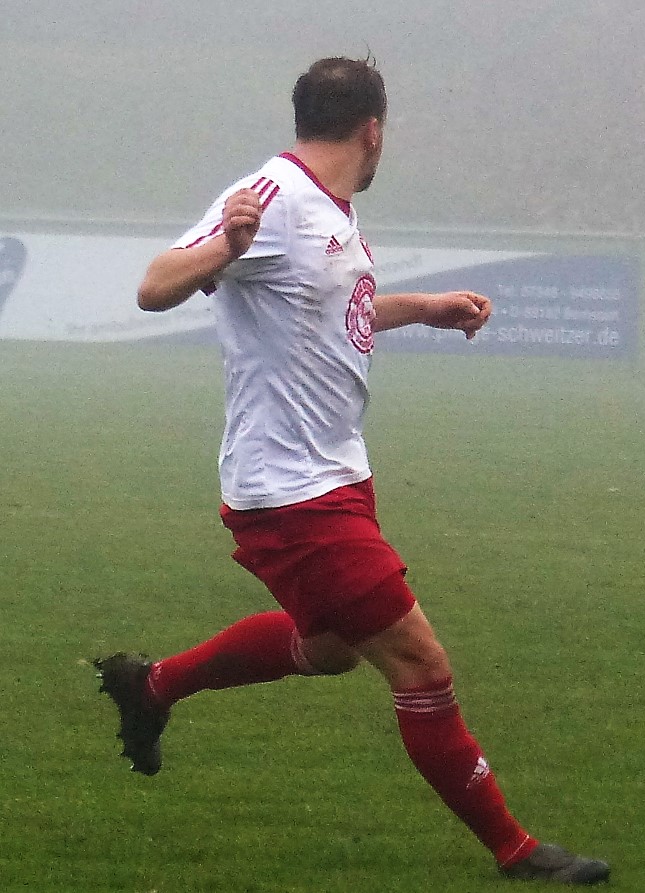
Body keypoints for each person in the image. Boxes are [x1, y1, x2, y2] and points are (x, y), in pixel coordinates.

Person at [92, 57, 609, 885]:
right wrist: (226, 244)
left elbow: (333, 310)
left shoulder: (329, 208)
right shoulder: (270, 199)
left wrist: (425, 308)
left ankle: (152, 686)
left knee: (329, 647)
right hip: (291, 495)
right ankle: (517, 850)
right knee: (421, 664)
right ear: (373, 130)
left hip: (333, 478)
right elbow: (154, 288)